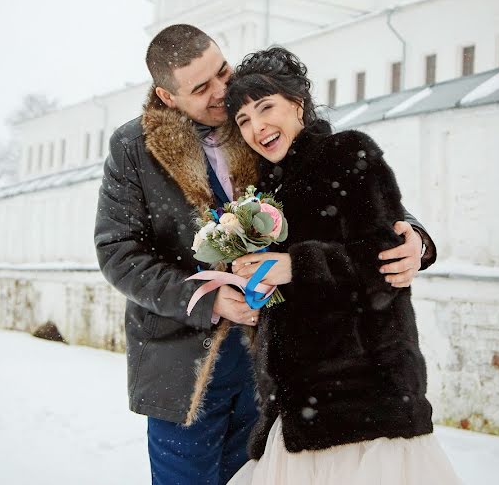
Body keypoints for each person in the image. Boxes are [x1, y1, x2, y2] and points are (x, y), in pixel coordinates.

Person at [94, 25, 437, 485]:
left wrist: (415, 236)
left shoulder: (258, 121)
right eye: (201, 88)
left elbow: (350, 188)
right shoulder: (132, 147)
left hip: (272, 367)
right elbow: (118, 252)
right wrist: (204, 299)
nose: (222, 92)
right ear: (167, 95)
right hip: (184, 363)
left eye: (223, 71)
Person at [223, 46, 460, 485]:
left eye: (265, 107)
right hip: (298, 410)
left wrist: (297, 266)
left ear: (297, 103)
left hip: (365, 408)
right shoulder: (261, 192)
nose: (257, 127)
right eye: (243, 120)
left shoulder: (349, 155)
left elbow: (385, 266)